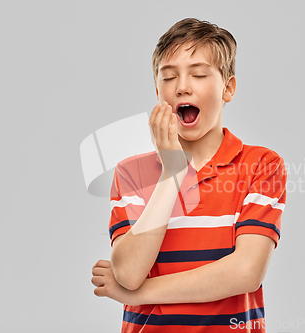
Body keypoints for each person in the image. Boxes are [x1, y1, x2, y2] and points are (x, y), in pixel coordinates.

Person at [91, 17, 287, 332]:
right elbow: (127, 271)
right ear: (157, 90)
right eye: (169, 77)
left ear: (228, 88)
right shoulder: (131, 173)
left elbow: (246, 272)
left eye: (198, 74)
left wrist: (137, 294)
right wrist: (172, 171)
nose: (182, 86)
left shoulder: (261, 165)